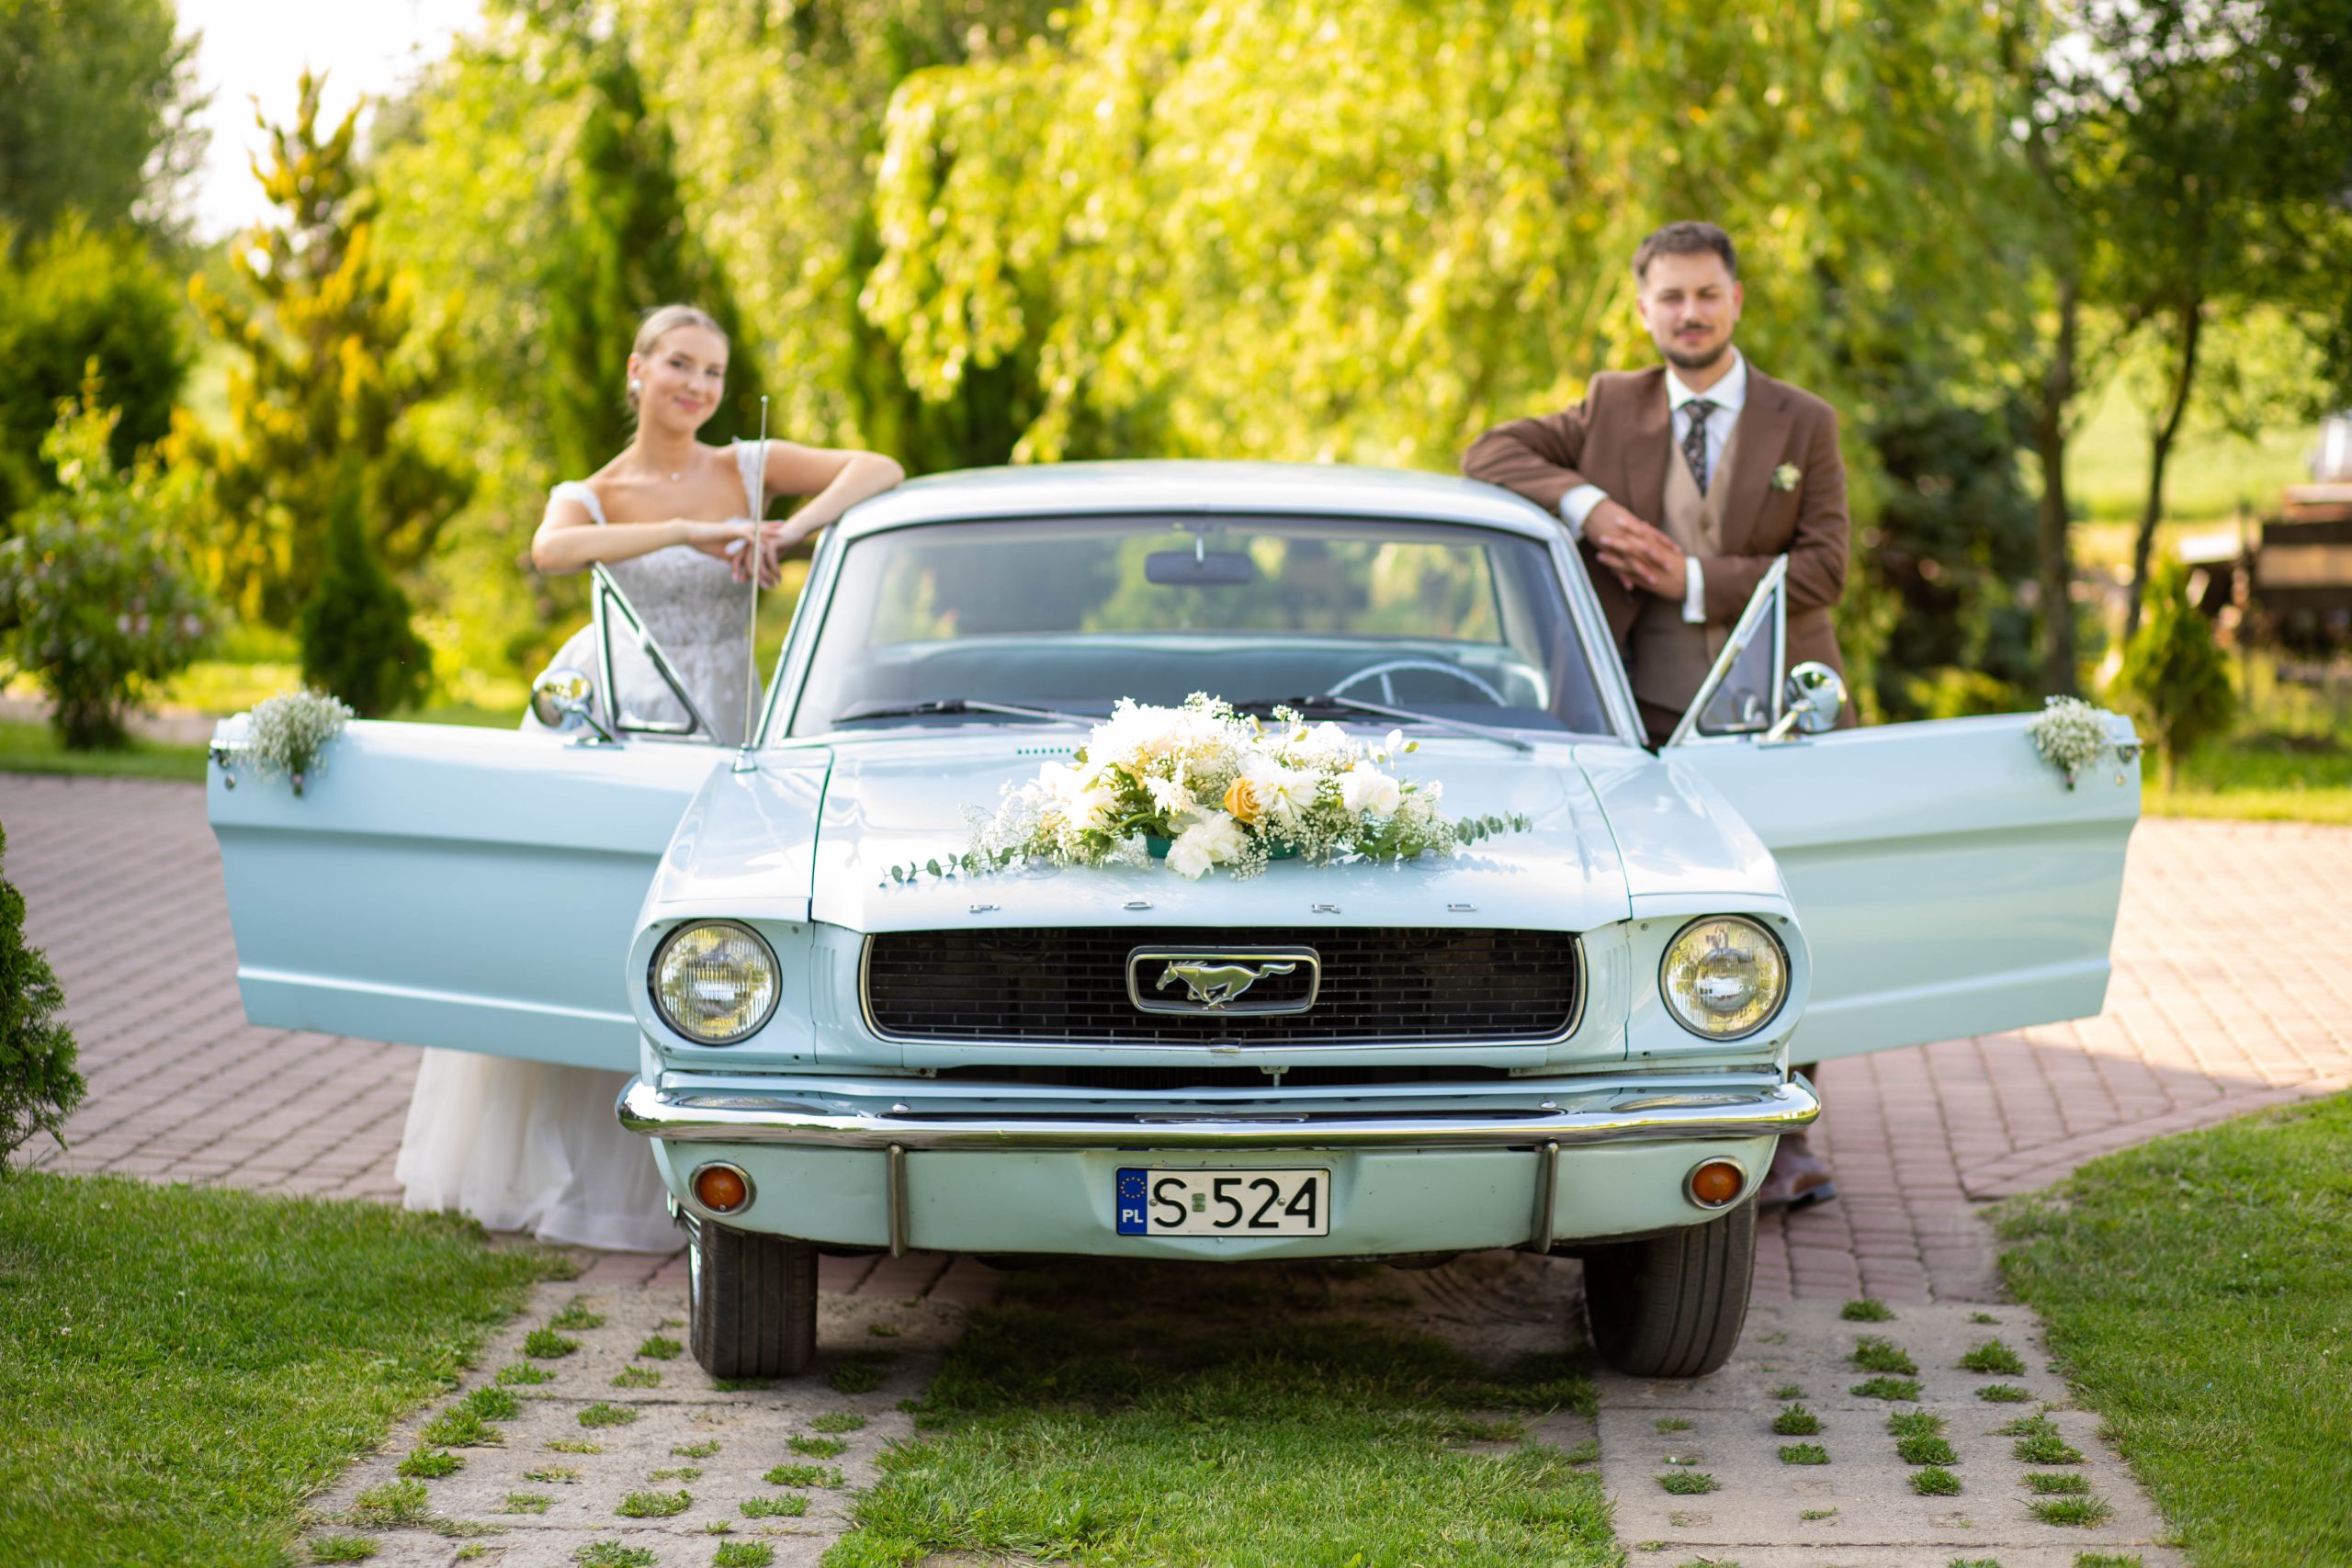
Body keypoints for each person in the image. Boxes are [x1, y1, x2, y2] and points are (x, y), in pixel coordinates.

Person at [394, 304, 904, 1250]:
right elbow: (552, 550)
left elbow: (879, 469)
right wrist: (683, 529)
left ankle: (736, 1152)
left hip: (729, 711)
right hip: (627, 709)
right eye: (679, 364)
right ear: (637, 371)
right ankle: (588, 1171)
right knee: (605, 913)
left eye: (713, 372)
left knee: (720, 922)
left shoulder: (745, 464)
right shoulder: (592, 491)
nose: (697, 387)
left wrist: (785, 532)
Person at [1462, 221, 1846, 1212]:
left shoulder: (1803, 421)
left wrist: (1692, 580)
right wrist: (1587, 506)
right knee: (1665, 907)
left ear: (1736, 299)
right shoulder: (1608, 405)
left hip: (1771, 712)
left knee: (1782, 908)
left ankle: (1787, 1132)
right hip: (1636, 710)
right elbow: (1487, 452)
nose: (1689, 313)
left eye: (1706, 294)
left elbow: (1826, 566)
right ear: (1643, 310)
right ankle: (1658, 1113)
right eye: (1670, 296)